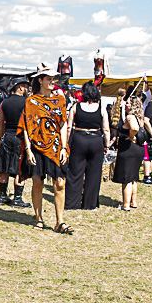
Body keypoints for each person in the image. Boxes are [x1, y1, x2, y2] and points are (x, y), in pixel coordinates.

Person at [18, 63, 71, 233]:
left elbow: (62, 124)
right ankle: (39, 218)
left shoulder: (60, 100)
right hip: (36, 146)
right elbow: (26, 125)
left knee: (60, 183)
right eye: (49, 79)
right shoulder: (31, 101)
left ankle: (60, 221)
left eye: (53, 79)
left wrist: (63, 146)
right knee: (38, 182)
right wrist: (27, 149)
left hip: (56, 146)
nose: (52, 82)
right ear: (40, 80)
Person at [65, 81, 110, 210]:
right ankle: (90, 204)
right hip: (96, 140)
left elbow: (69, 127)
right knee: (94, 173)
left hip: (79, 139)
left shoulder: (76, 107)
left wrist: (68, 143)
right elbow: (106, 129)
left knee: (75, 172)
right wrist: (106, 145)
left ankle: (71, 203)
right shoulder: (101, 108)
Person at [0, 77, 31, 207]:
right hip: (21, 138)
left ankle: (2, 196)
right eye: (25, 86)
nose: (27, 89)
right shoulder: (27, 102)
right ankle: (17, 199)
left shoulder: (4, 103)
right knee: (20, 169)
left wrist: (1, 137)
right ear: (19, 87)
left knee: (4, 168)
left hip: (7, 136)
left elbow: (0, 123)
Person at [113, 95, 143, 211]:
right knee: (134, 177)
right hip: (138, 148)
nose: (125, 104)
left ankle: (125, 205)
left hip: (128, 149)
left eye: (128, 103)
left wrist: (131, 136)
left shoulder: (130, 117)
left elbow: (134, 128)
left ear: (133, 105)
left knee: (126, 179)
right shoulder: (140, 117)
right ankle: (133, 202)